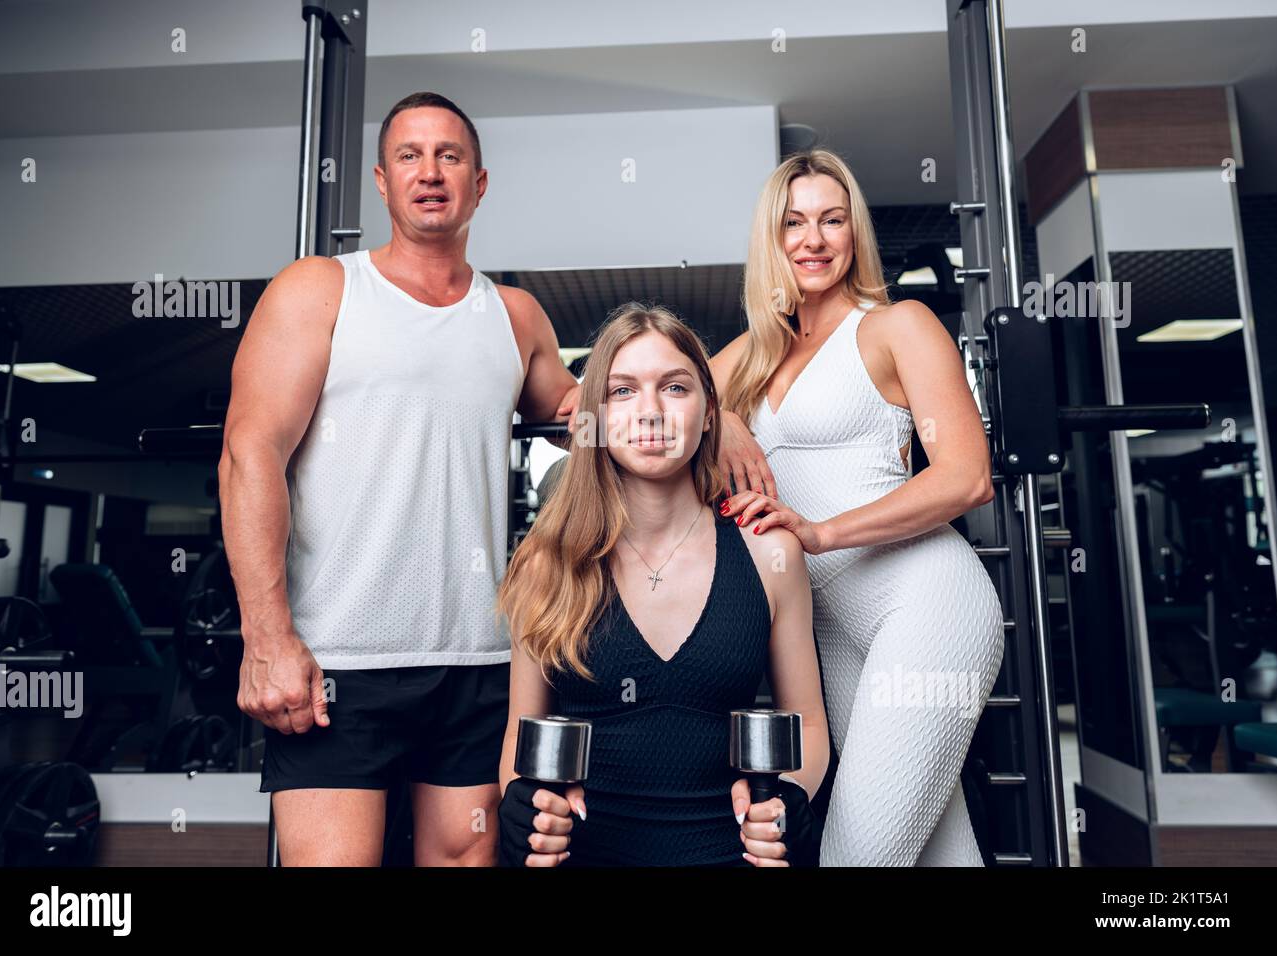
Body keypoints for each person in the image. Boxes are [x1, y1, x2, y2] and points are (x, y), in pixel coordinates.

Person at [219, 91, 580, 866]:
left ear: (479, 183)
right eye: (410, 156)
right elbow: (250, 457)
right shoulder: (319, 289)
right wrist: (266, 637)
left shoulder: (515, 317)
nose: (430, 172)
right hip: (338, 660)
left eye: (450, 156)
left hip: (477, 662)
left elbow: (591, 418)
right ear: (382, 182)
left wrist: (725, 412)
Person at [710, 148, 1005, 865]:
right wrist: (719, 419)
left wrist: (821, 532)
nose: (813, 239)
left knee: (855, 852)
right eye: (794, 223)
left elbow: (968, 478)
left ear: (854, 233)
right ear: (770, 240)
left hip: (927, 602)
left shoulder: (894, 325)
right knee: (937, 849)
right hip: (838, 624)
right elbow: (608, 396)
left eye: (832, 220)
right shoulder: (752, 355)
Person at [494, 303, 830, 866]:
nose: (649, 412)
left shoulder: (770, 549)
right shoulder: (544, 561)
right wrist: (523, 807)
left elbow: (810, 726)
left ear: (708, 413)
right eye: (623, 392)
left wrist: (788, 801)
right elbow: (519, 737)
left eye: (674, 388)